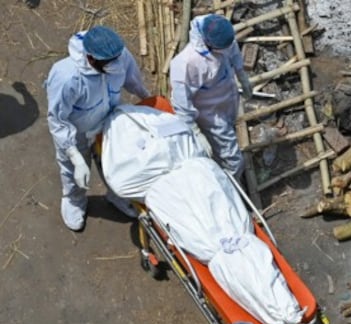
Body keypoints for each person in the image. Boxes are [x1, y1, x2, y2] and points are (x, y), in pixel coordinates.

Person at [45, 26, 151, 231]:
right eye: (111, 63)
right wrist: (74, 156)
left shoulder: (118, 56)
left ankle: (116, 196)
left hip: (107, 121)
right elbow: (58, 120)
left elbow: (133, 81)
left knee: (116, 163)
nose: (118, 65)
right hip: (77, 132)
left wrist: (149, 102)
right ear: (91, 59)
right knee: (73, 171)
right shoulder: (66, 77)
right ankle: (74, 200)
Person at [169, 14, 252, 179]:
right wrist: (195, 132)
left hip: (227, 100)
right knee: (234, 161)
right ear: (208, 43)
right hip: (211, 115)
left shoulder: (219, 29)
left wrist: (242, 76)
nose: (227, 49)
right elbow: (181, 104)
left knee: (227, 137)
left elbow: (233, 51)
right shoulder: (186, 63)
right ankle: (230, 187)